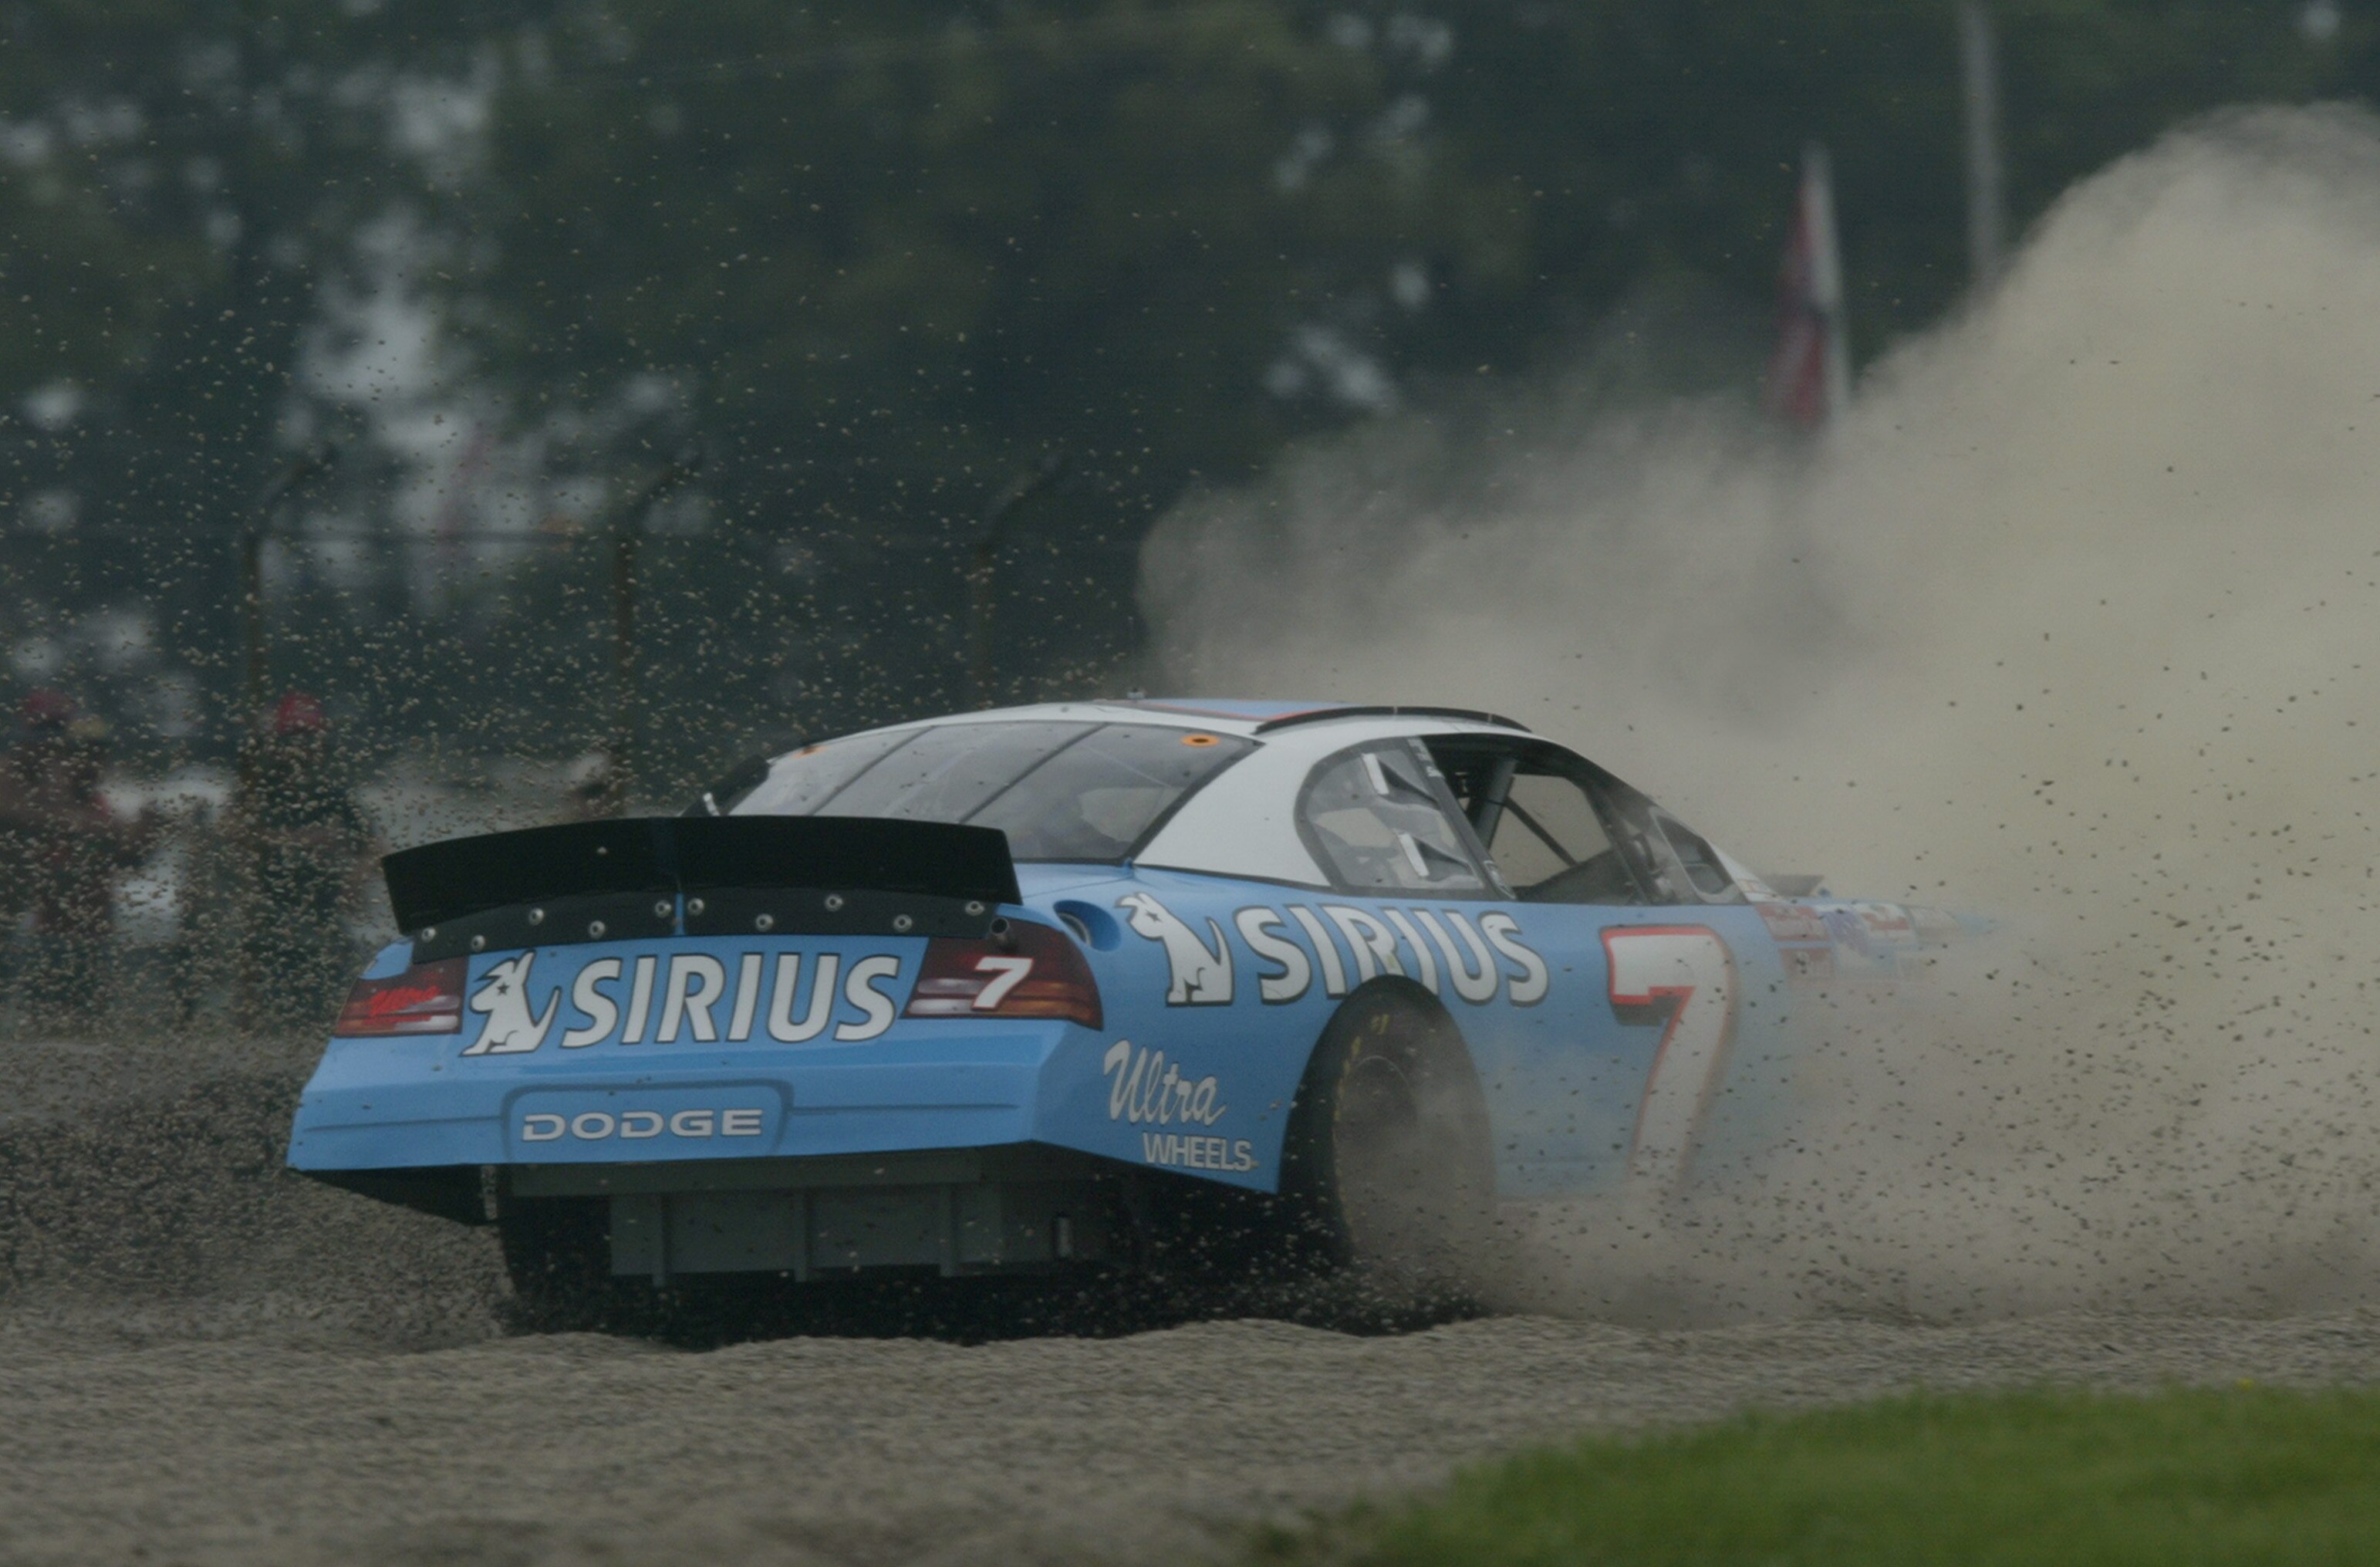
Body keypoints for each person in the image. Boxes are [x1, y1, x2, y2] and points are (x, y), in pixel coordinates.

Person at [7, 696, 157, 1034]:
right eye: (43, 733)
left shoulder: (99, 807)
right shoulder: (24, 788)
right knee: (42, 1026)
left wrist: (146, 832)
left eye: (97, 756)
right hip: (45, 937)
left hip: (92, 939)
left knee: (85, 1027)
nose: (90, 763)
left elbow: (128, 857)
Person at [235, 693, 376, 1033]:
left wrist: (356, 877)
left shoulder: (333, 795)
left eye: (310, 740)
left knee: (328, 1014)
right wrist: (299, 840)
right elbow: (233, 834)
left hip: (324, 919)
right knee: (266, 1018)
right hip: (268, 920)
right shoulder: (260, 790)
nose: (304, 749)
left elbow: (374, 848)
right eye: (295, 740)